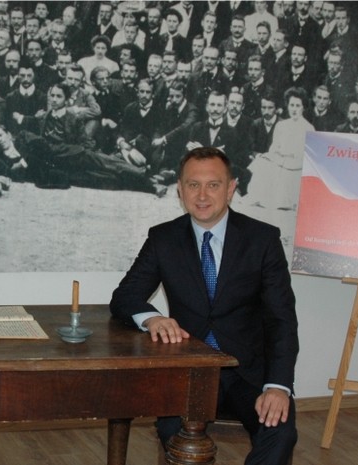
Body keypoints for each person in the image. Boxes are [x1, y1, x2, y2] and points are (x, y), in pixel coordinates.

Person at [110, 146, 298, 465]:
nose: (202, 195)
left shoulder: (262, 239)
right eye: (193, 185)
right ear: (180, 189)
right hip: (189, 372)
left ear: (231, 188)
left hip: (248, 372)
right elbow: (124, 297)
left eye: (213, 185)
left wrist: (278, 386)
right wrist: (152, 318)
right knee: (174, 432)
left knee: (280, 433)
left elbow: (282, 320)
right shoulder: (164, 238)